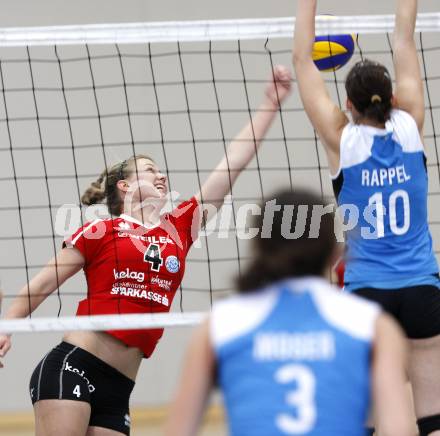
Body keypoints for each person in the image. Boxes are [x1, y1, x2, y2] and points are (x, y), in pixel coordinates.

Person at [0, 66, 292, 436]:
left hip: (121, 387)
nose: (161, 176)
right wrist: (7, 326)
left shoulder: (180, 228)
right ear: (124, 186)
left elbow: (232, 165)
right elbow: (41, 284)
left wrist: (271, 105)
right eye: (149, 170)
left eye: (160, 171)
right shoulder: (101, 230)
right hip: (74, 365)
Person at [293, 0, 440, 435]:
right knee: (432, 417)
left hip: (367, 294)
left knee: (368, 418)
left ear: (347, 104)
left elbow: (303, 59)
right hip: (422, 287)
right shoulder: (411, 125)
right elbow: (404, 39)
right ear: (393, 99)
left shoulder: (341, 140)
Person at [164, 189, 414, 436]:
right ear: (335, 252)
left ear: (259, 247)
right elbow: (397, 428)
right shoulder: (374, 325)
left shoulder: (219, 324)